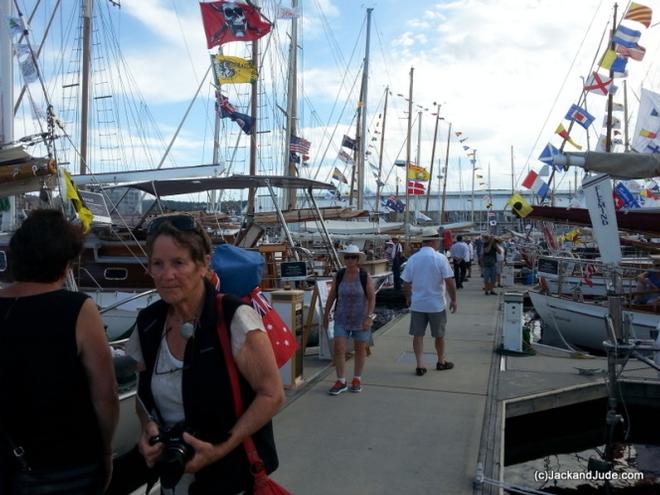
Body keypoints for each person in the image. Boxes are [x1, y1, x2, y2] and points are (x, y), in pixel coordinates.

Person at [126, 214, 284, 494]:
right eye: (157, 264)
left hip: (231, 480)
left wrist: (219, 449)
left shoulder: (234, 319)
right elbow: (139, 393)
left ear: (203, 265)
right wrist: (146, 425)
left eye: (178, 263)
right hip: (174, 480)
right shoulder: (149, 323)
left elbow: (272, 394)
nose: (166, 275)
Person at [0, 209, 118, 495]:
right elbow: (106, 395)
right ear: (65, 262)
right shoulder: (78, 309)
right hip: (67, 465)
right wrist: (106, 452)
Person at [401, 228, 457, 376]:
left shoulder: (413, 259)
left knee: (418, 335)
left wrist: (408, 297)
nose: (439, 243)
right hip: (436, 304)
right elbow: (449, 282)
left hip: (418, 304)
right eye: (438, 241)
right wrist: (454, 300)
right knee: (439, 336)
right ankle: (440, 362)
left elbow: (406, 282)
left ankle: (420, 365)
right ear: (433, 241)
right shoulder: (440, 258)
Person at [323, 245, 376, 395]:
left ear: (358, 259)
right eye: (347, 257)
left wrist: (368, 317)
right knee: (339, 348)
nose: (350, 260)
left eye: (353, 257)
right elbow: (332, 296)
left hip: (361, 318)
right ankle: (341, 380)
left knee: (360, 349)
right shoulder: (339, 275)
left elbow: (372, 298)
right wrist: (326, 315)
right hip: (341, 317)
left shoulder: (364, 276)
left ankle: (357, 378)